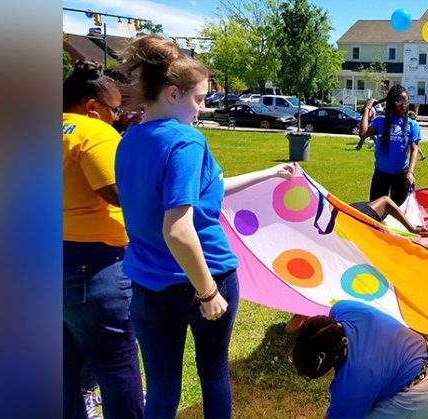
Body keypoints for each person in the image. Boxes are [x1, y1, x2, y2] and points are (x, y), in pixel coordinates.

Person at [114, 34, 298, 418]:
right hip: (202, 281)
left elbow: (203, 194)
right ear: (172, 93)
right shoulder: (186, 140)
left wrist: (270, 173)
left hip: (146, 288)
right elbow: (178, 229)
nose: (201, 110)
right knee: (213, 375)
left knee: (161, 391)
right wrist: (208, 290)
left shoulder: (128, 140)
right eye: (198, 99)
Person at [62, 59, 144, 419]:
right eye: (114, 109)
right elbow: (114, 191)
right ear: (92, 107)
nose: (117, 116)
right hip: (94, 265)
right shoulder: (95, 132)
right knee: (117, 366)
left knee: (62, 370)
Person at [289, 300, 428, 419]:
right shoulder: (344, 309)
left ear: (333, 358)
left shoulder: (353, 383)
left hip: (421, 396)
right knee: (389, 383)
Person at [283, 196, 428, 334]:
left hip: (353, 226)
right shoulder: (347, 225)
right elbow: (385, 200)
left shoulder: (363, 216)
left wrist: (412, 229)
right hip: (343, 231)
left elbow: (386, 201)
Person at [358, 85, 423, 206]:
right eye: (399, 100)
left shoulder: (412, 125)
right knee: (375, 211)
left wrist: (410, 172)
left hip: (400, 175)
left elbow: (414, 150)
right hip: (380, 174)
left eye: (405, 101)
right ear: (392, 102)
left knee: (399, 213)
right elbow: (362, 134)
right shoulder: (380, 121)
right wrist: (367, 109)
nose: (403, 104)